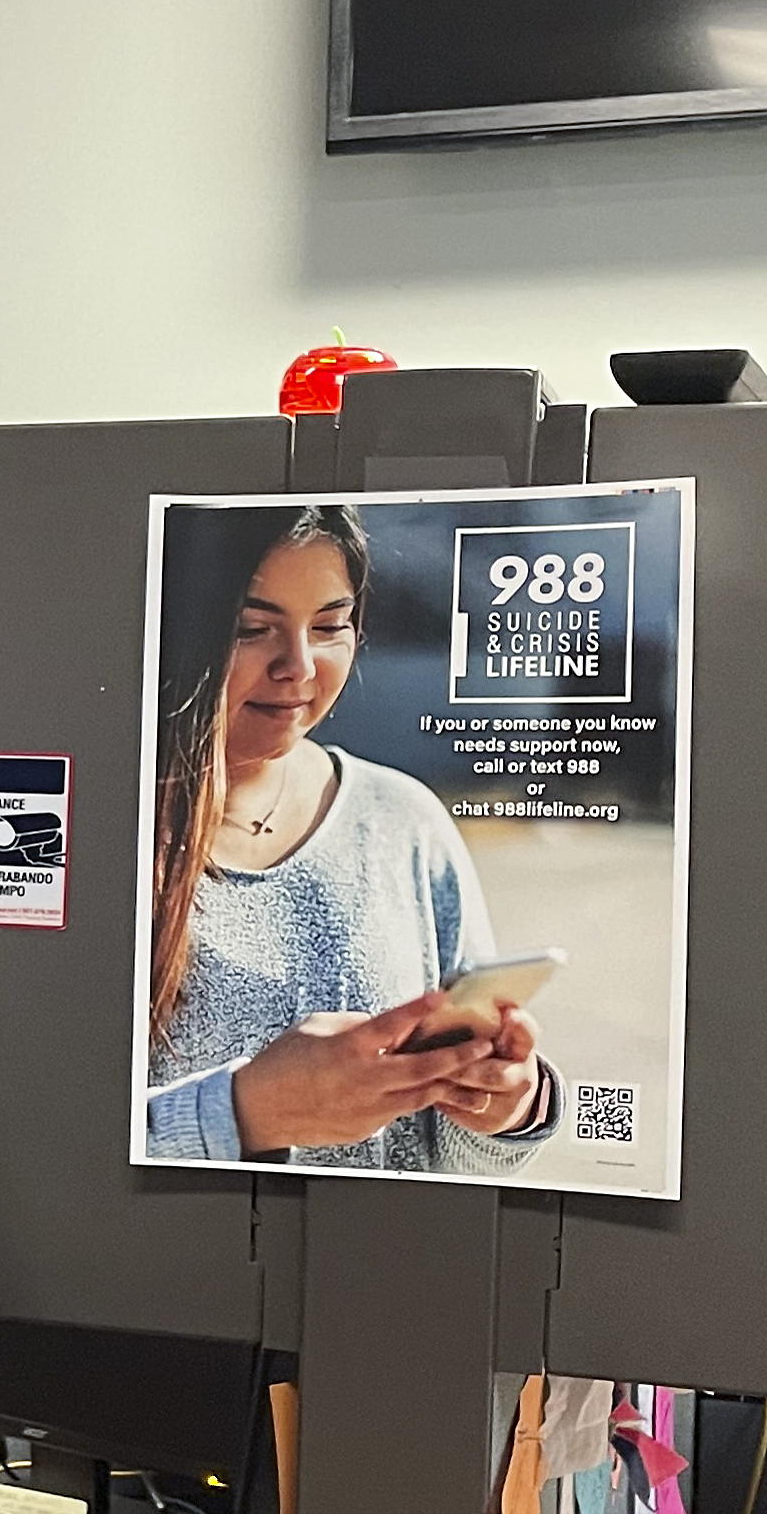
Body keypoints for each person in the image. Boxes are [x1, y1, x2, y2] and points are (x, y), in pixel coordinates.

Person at [141, 503, 562, 1174]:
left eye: (330, 625)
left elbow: (445, 1169)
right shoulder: (91, 832)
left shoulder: (402, 820)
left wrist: (501, 1110)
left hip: (373, 1271)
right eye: (252, 628)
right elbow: (33, 1151)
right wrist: (245, 1112)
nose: (300, 666)